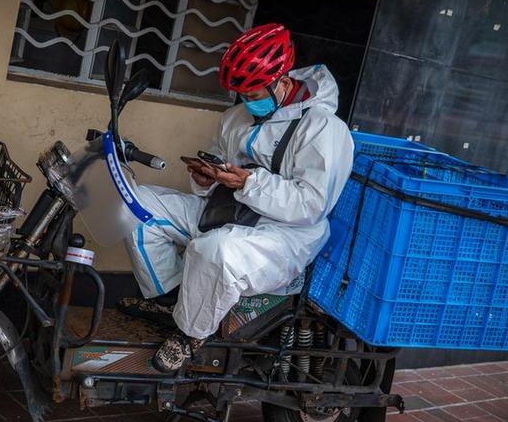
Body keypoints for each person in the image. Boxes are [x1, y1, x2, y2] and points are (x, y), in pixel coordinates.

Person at [118, 23, 355, 372]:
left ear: (281, 80)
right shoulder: (236, 118)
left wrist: (249, 183)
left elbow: (312, 205)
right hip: (225, 210)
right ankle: (173, 300)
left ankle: (190, 334)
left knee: (214, 250)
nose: (247, 102)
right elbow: (217, 169)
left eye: (254, 94)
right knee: (133, 206)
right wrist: (203, 178)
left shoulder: (325, 130)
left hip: (282, 236)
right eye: (241, 94)